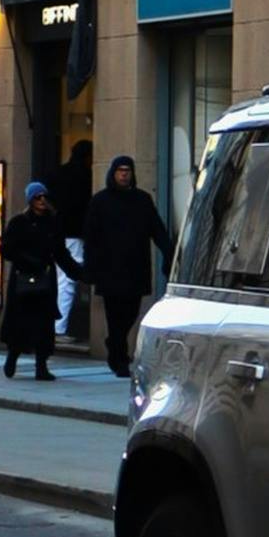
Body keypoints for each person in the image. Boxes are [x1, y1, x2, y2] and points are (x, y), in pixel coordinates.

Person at [81, 154, 173, 379]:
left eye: (127, 170)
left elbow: (157, 229)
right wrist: (91, 268)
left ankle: (114, 343)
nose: (124, 174)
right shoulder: (100, 201)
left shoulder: (142, 200)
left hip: (135, 267)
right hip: (110, 268)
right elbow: (90, 237)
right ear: (113, 173)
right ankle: (119, 358)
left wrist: (168, 253)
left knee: (131, 312)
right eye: (120, 170)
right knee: (115, 315)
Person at [1, 183, 81, 381]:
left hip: (45, 279)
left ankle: (41, 366)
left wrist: (78, 272)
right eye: (37, 197)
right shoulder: (19, 222)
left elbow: (60, 253)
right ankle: (13, 356)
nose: (42, 200)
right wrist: (28, 261)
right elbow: (6, 249)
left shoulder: (53, 223)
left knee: (44, 324)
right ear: (30, 200)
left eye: (44, 196)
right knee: (21, 322)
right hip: (23, 279)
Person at [52, 137, 94, 338]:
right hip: (75, 233)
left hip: (62, 231)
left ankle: (58, 326)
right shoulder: (84, 175)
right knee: (67, 280)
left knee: (64, 279)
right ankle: (59, 327)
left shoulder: (60, 173)